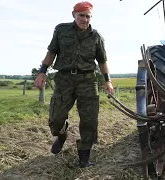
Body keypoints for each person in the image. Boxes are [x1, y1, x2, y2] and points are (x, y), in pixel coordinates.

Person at [34, 1, 114, 168]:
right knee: (56, 119)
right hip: (64, 80)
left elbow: (102, 61)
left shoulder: (96, 36)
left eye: (88, 16)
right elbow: (51, 52)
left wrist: (108, 81)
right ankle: (61, 135)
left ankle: (84, 158)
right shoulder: (61, 30)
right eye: (81, 16)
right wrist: (42, 72)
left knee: (90, 120)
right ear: (74, 15)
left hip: (88, 80)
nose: (84, 19)